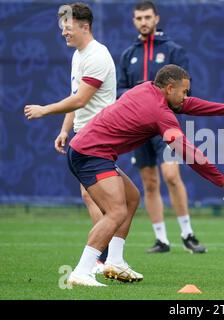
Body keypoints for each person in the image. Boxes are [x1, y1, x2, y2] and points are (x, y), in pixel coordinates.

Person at [64, 64, 224, 286]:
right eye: (184, 91)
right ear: (169, 88)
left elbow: (186, 104)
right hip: (90, 154)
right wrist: (220, 179)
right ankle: (82, 271)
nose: (186, 96)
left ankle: (115, 261)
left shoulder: (147, 88)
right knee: (116, 211)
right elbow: (188, 152)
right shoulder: (160, 113)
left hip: (89, 151)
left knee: (132, 199)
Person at [23, 2, 121, 275]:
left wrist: (44, 110)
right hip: (85, 133)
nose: (64, 33)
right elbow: (77, 100)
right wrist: (65, 129)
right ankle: (107, 259)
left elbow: (80, 98)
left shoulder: (97, 56)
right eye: (62, 28)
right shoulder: (79, 55)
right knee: (97, 199)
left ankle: (103, 260)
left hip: (99, 135)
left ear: (84, 27)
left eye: (68, 28)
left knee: (111, 204)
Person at [118, 1, 205, 254]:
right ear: (134, 21)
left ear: (156, 18)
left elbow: (186, 89)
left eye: (147, 17)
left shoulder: (173, 51)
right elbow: (119, 90)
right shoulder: (127, 55)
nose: (143, 21)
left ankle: (188, 234)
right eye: (138, 18)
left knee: (171, 176)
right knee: (149, 182)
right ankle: (161, 240)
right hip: (138, 128)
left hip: (166, 126)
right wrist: (138, 95)